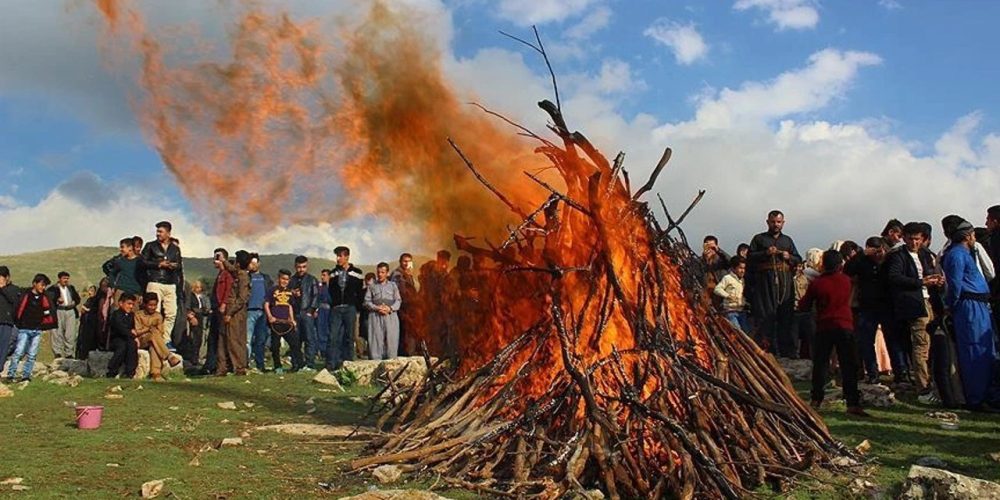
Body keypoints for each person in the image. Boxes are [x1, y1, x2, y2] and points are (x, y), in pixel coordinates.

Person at [799, 250, 869, 417]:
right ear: (840, 264)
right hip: (845, 325)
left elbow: (804, 305)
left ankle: (816, 399)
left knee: (821, 364)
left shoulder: (817, 283)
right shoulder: (846, 281)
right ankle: (852, 403)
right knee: (848, 365)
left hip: (824, 326)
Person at [941, 216, 1000, 412]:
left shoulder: (966, 253)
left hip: (980, 305)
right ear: (967, 236)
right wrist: (951, 305)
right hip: (969, 306)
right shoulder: (956, 255)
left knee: (986, 350)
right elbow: (955, 285)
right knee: (974, 351)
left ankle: (990, 395)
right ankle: (977, 398)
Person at [885, 222, 944, 393]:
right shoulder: (898, 256)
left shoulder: (924, 254)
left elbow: (927, 272)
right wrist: (920, 282)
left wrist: (935, 280)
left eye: (917, 239)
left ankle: (929, 381)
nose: (914, 242)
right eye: (911, 239)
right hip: (914, 304)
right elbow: (894, 277)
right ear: (904, 238)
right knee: (921, 344)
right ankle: (923, 386)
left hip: (928, 301)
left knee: (930, 343)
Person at [747, 210, 802, 357]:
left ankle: (787, 350)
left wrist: (788, 256)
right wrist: (765, 253)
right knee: (766, 316)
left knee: (786, 316)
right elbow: (750, 257)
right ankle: (767, 350)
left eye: (779, 222)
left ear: (783, 223)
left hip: (785, 282)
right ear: (768, 222)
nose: (776, 224)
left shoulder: (788, 241)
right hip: (765, 283)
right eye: (773, 222)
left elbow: (798, 258)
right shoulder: (759, 239)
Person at [845, 237, 892, 384]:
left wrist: (884, 256)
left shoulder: (888, 261)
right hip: (867, 306)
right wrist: (861, 255)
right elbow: (847, 271)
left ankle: (900, 372)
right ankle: (872, 372)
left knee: (892, 341)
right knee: (866, 342)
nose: (876, 253)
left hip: (886, 305)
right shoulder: (862, 262)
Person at [5, 274, 56, 382]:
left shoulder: (45, 298)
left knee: (32, 354)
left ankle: (26, 376)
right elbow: (18, 310)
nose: (43, 288)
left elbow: (47, 312)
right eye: (41, 285)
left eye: (44, 286)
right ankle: (11, 374)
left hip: (37, 330)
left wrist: (46, 324)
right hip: (24, 329)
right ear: (34, 284)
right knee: (18, 352)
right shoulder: (25, 295)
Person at [140, 221, 182, 342]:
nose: (158, 234)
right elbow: (142, 262)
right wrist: (159, 264)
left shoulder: (175, 249)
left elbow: (179, 266)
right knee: (154, 311)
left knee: (171, 313)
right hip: (155, 281)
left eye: (161, 231)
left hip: (170, 283)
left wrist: (174, 266)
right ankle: (153, 338)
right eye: (157, 231)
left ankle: (165, 339)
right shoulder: (150, 246)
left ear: (168, 233)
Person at [326, 247, 365, 371]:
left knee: (349, 336)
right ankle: (332, 364)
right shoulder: (333, 273)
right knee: (333, 336)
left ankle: (348, 363)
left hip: (350, 308)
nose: (338, 258)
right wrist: (333, 304)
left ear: (347, 257)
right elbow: (330, 291)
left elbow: (360, 293)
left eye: (340, 256)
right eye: (337, 256)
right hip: (336, 309)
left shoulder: (357, 272)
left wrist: (357, 307)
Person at [134, 293, 182, 381]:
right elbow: (137, 331)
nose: (152, 307)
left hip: (154, 340)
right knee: (153, 334)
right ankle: (169, 356)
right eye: (150, 305)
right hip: (141, 340)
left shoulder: (158, 316)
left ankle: (156, 373)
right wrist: (148, 329)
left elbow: (160, 332)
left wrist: (153, 330)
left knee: (154, 346)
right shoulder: (138, 315)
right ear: (145, 304)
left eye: (154, 305)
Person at [217, 250, 251, 376]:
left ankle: (239, 367)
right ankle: (223, 368)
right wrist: (223, 261)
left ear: (238, 263)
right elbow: (231, 268)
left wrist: (229, 313)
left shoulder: (242, 277)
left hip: (235, 312)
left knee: (234, 339)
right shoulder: (240, 273)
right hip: (234, 311)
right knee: (226, 338)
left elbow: (242, 298)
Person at [202, 248, 232, 374]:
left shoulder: (226, 274)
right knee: (213, 337)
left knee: (220, 337)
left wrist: (224, 303)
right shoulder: (220, 274)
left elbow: (228, 289)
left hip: (220, 308)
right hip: (215, 309)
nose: (215, 260)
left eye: (217, 258)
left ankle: (219, 365)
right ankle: (211, 364)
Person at [365, 263, 402, 360]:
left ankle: (391, 365)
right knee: (375, 341)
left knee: (392, 341)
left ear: (387, 273)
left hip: (390, 316)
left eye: (383, 272)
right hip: (375, 316)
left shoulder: (393, 286)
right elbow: (367, 301)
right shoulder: (372, 286)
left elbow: (398, 300)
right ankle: (375, 366)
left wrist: (390, 308)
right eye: (378, 272)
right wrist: (377, 308)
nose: (380, 274)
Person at [266, 269, 299, 374]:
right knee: (275, 346)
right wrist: (270, 316)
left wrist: (292, 319)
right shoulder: (272, 290)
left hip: (287, 323)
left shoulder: (289, 292)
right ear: (278, 278)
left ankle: (296, 365)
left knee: (294, 344)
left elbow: (290, 306)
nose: (285, 281)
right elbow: (266, 304)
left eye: (287, 279)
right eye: (283, 279)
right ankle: (277, 366)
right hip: (276, 323)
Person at [246, 254, 273, 372]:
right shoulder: (246, 277)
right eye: (250, 263)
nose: (252, 265)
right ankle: (245, 364)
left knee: (261, 339)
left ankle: (260, 364)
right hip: (249, 311)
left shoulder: (265, 278)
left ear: (259, 263)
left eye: (254, 263)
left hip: (263, 313)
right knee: (247, 339)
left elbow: (271, 293)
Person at [77, 277, 113, 358]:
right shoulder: (96, 299)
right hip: (94, 325)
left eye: (105, 286)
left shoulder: (111, 297)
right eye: (102, 286)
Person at [48, 271, 81, 359]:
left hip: (70, 311)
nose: (66, 280)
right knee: (57, 333)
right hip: (59, 311)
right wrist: (57, 300)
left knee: (70, 333)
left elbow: (77, 299)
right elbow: (49, 300)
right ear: (59, 279)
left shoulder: (71, 288)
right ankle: (57, 353)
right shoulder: (53, 289)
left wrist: (75, 302)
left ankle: (69, 353)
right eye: (64, 278)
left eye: (67, 278)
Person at [390, 253, 417, 356]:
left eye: (408, 261)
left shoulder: (409, 274)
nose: (406, 263)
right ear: (400, 262)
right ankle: (403, 354)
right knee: (403, 333)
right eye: (404, 261)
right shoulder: (397, 274)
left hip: (410, 308)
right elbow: (398, 291)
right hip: (402, 308)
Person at [106, 293, 139, 378]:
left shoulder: (131, 315)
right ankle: (112, 370)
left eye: (132, 304)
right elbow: (121, 329)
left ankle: (130, 372)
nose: (131, 306)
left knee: (132, 345)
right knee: (122, 347)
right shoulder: (116, 315)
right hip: (116, 339)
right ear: (121, 303)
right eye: (129, 304)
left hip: (128, 338)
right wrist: (132, 335)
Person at [714, 256, 749, 333]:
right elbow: (717, 289)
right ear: (733, 268)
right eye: (740, 268)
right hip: (731, 311)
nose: (742, 271)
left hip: (741, 311)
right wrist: (728, 295)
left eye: (744, 268)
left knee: (746, 332)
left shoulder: (743, 280)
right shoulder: (728, 278)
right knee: (737, 331)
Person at [103, 237, 143, 302]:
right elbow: (112, 273)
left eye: (122, 247)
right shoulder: (120, 261)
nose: (120, 249)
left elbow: (143, 278)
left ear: (130, 248)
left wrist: (141, 293)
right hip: (121, 292)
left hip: (135, 293)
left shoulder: (140, 261)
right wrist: (113, 286)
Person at [183, 280, 210, 368]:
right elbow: (189, 307)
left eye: (200, 287)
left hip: (201, 317)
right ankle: (192, 359)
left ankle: (196, 357)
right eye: (197, 287)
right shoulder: (191, 296)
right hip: (194, 317)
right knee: (193, 338)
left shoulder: (202, 297)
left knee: (199, 339)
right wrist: (191, 316)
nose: (199, 289)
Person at [0, 267, 20, 373]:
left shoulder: (14, 289)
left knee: (3, 347)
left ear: (7, 277)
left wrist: (3, 288)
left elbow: (14, 302)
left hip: (6, 322)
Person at [316, 269, 332, 360]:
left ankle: (330, 351)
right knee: (321, 330)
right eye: (322, 275)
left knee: (329, 331)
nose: (322, 277)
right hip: (321, 311)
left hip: (330, 311)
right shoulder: (320, 287)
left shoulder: (333, 287)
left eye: (324, 275)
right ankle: (322, 351)